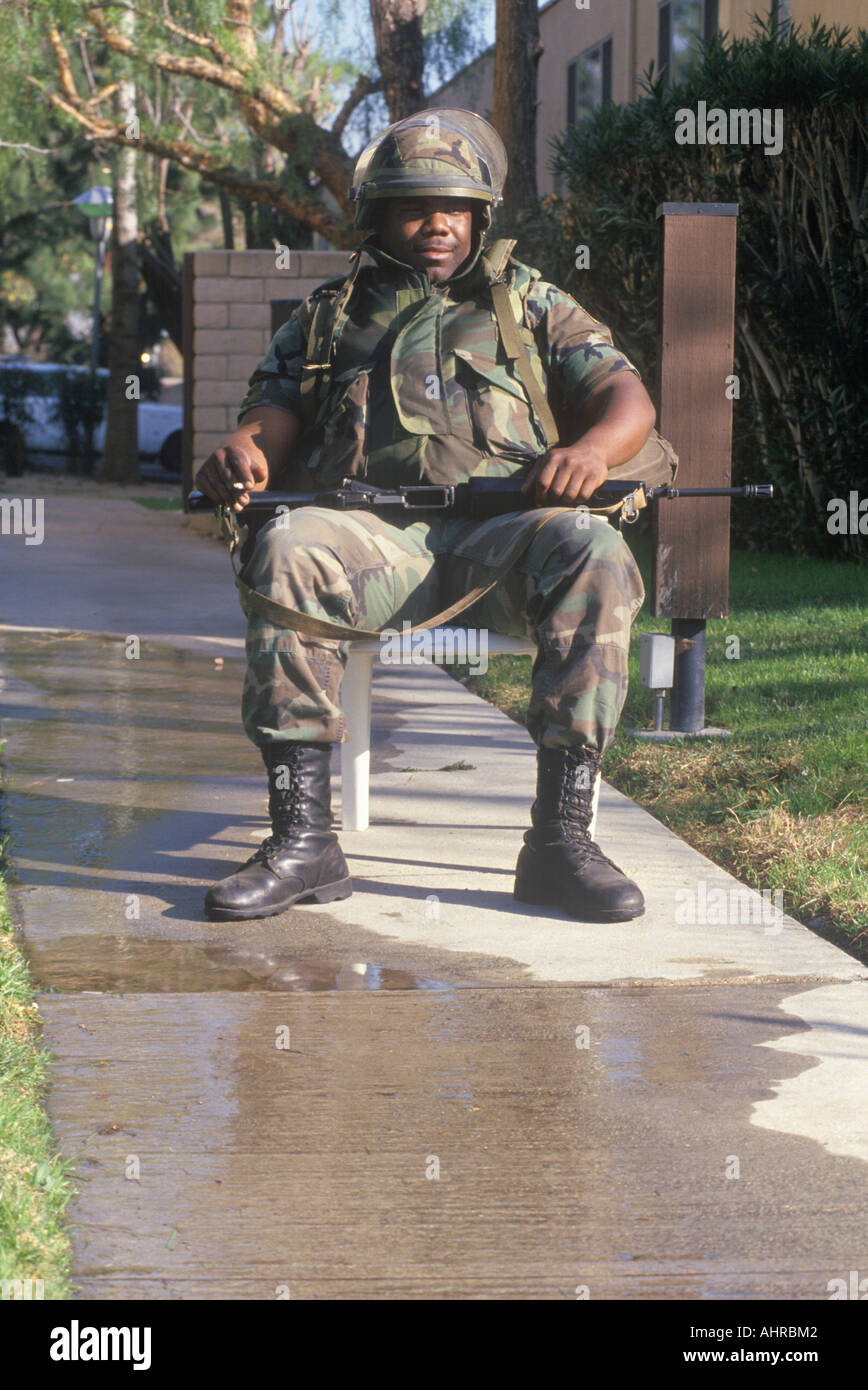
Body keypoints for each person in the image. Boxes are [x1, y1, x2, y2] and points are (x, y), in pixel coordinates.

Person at [194, 108, 676, 927]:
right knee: (288, 547)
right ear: (378, 217)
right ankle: (304, 840)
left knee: (591, 545)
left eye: (455, 207)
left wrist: (592, 453)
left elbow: (625, 397)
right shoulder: (329, 316)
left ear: (481, 216)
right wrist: (243, 452)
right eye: (415, 207)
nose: (438, 224)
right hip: (371, 541)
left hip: (507, 539)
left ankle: (559, 842)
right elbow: (269, 419)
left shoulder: (530, 302)